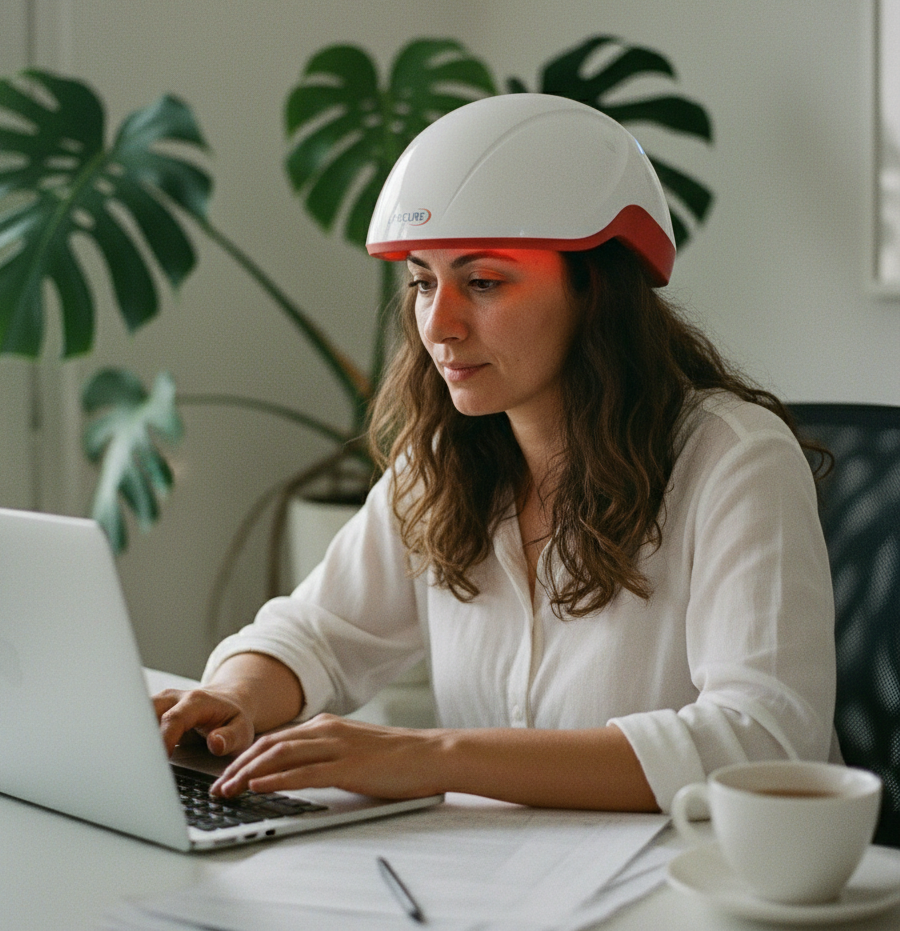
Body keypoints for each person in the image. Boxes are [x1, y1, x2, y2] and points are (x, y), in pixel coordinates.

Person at [154, 94, 837, 815]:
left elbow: (762, 741)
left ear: (595, 289)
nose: (439, 326)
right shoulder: (445, 461)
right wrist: (234, 696)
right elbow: (316, 633)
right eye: (422, 282)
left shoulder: (734, 461)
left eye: (483, 282)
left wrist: (429, 757)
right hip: (503, 882)